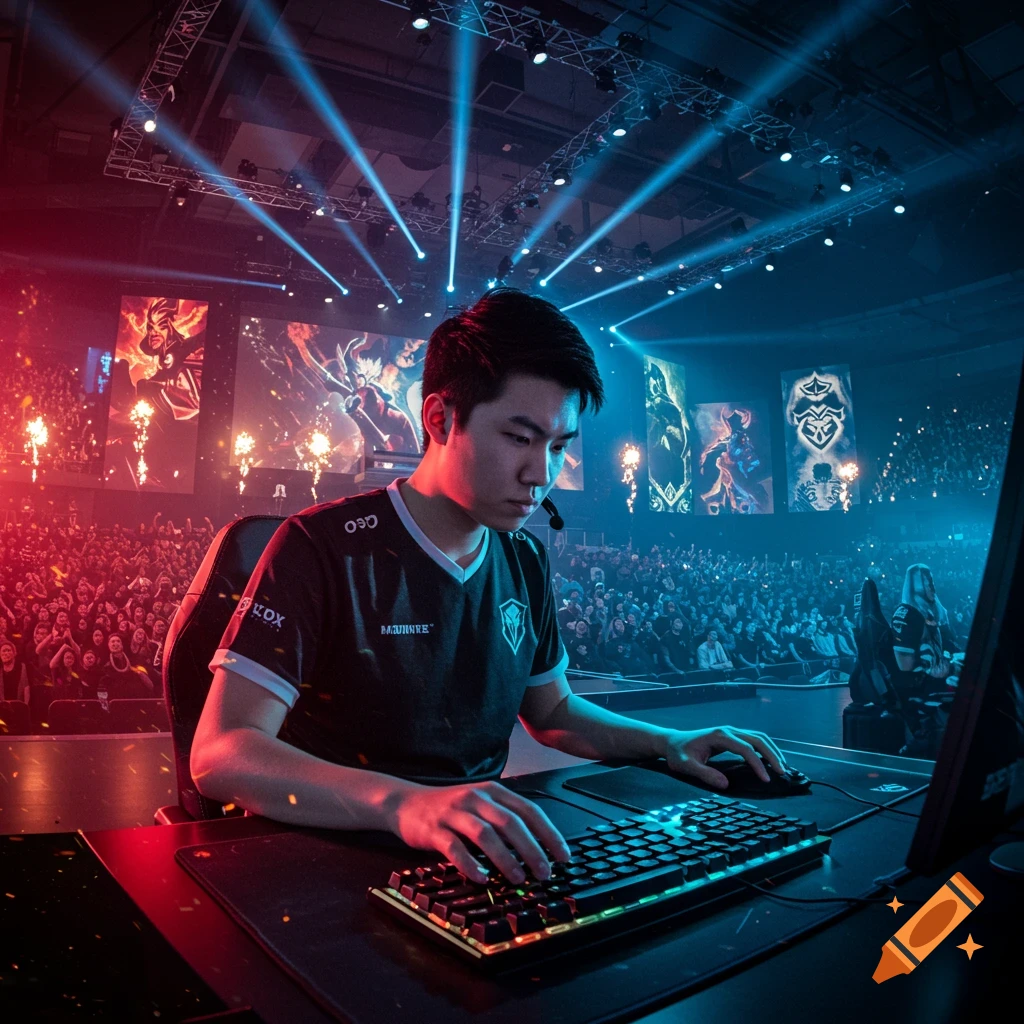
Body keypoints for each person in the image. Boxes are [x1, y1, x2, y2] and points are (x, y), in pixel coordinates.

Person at [191, 288, 787, 888]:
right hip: (328, 861)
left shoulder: (525, 557)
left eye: (558, 447)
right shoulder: (320, 546)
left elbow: (550, 711)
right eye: (519, 438)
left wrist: (668, 742)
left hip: (477, 854)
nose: (541, 473)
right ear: (440, 419)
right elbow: (223, 751)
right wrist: (406, 804)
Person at [891, 563, 956, 692]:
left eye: (933, 584)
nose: (933, 589)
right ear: (917, 586)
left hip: (942, 674)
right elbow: (905, 666)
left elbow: (949, 641)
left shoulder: (937, 611)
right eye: (928, 584)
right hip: (922, 685)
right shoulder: (905, 614)